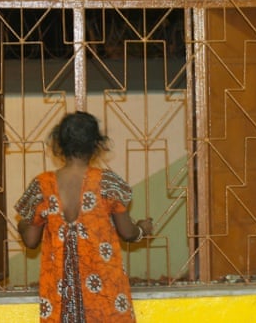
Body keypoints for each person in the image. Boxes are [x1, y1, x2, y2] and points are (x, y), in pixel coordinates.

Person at [14, 111, 153, 322]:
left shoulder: (42, 185)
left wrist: (22, 225)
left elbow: (31, 240)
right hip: (103, 292)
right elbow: (128, 232)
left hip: (60, 294)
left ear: (58, 144)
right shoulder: (108, 183)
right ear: (97, 145)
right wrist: (143, 229)